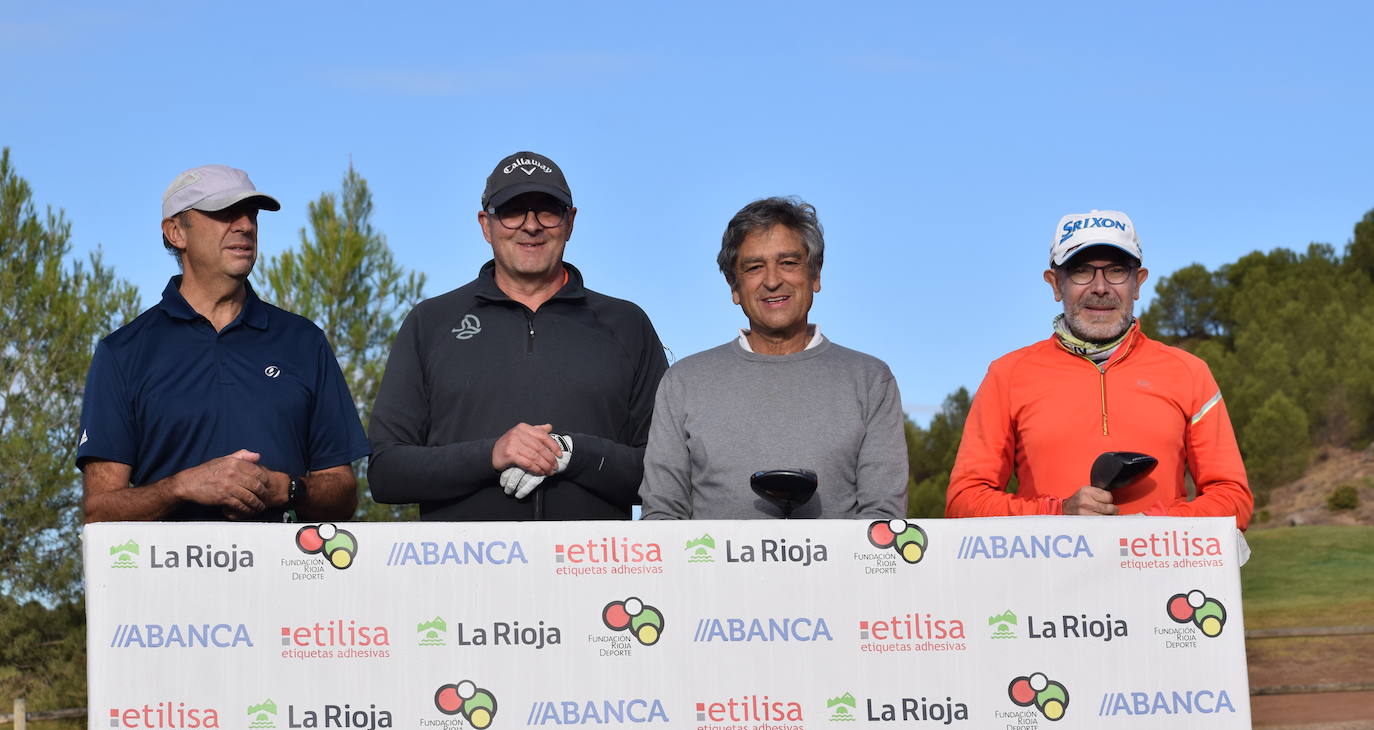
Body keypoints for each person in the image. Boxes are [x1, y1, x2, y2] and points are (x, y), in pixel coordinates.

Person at [367, 151, 668, 520]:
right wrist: (491, 455)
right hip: (460, 571)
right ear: (485, 224)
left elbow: (664, 474)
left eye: (548, 209)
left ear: (570, 222)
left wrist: (573, 453)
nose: (531, 226)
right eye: (512, 211)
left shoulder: (627, 325)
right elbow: (385, 472)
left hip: (591, 571)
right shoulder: (430, 322)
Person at [77, 164, 368, 522]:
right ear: (175, 232)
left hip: (283, 575)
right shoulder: (123, 352)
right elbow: (100, 510)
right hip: (165, 577)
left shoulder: (304, 341)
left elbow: (343, 495)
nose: (245, 225)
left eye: (251, 214)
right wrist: (182, 486)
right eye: (223, 212)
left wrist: (286, 488)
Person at [946, 209, 1253, 527]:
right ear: (1055, 284)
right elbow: (964, 501)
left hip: (1161, 572)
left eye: (1117, 271)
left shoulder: (1190, 372)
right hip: (1047, 574)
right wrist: (1059, 512)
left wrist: (1149, 528)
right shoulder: (1006, 375)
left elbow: (1233, 498)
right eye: (1081, 271)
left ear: (1138, 282)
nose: (1100, 287)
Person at [639, 197, 908, 520]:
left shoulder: (870, 380)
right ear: (734, 287)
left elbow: (882, 518)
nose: (771, 280)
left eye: (789, 263)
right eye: (754, 267)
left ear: (816, 274)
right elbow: (662, 515)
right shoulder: (683, 382)